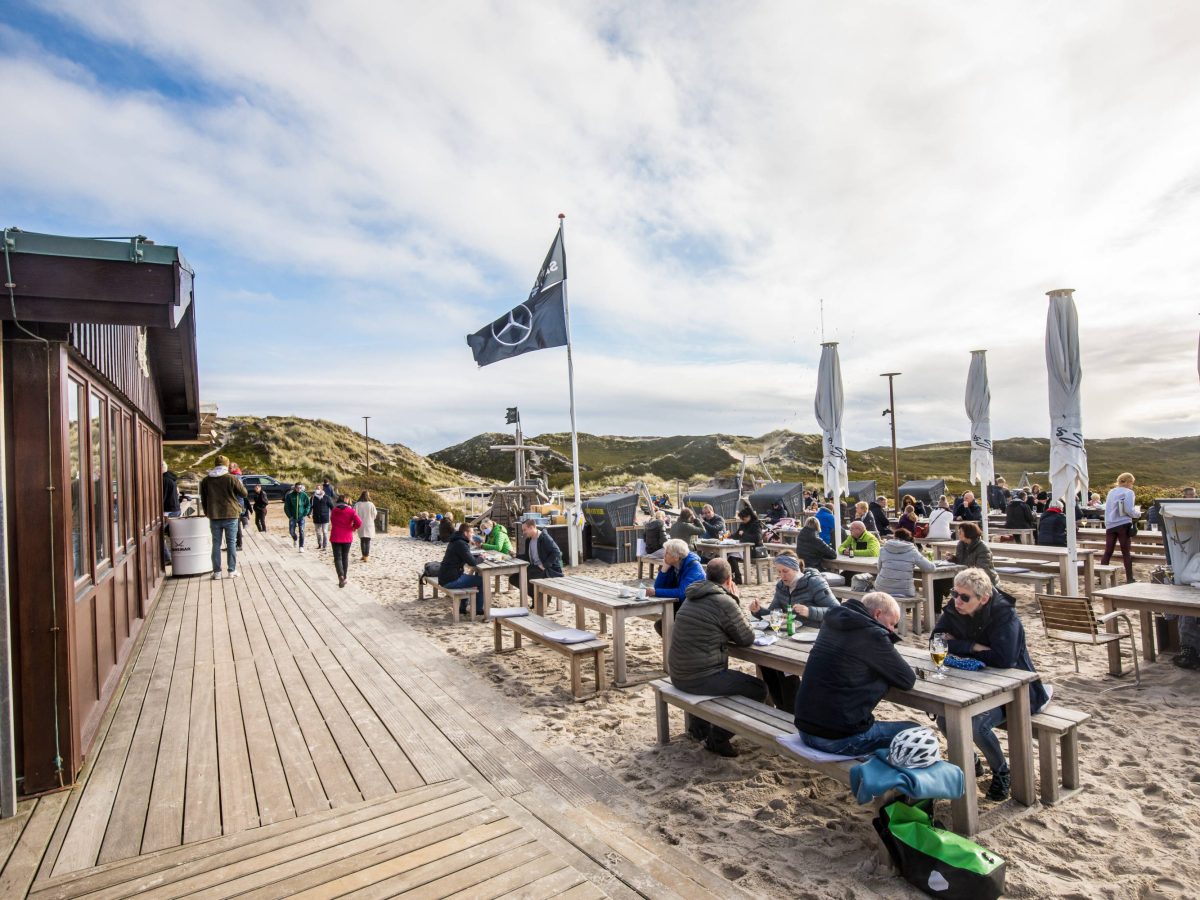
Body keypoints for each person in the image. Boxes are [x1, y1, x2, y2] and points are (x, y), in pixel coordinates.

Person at [933, 568, 1050, 801]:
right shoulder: (954, 609)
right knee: (945, 718)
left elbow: (1005, 659)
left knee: (976, 724)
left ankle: (1001, 772)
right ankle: (972, 761)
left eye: (964, 597)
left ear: (983, 598)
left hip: (1016, 693)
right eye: (954, 593)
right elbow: (936, 642)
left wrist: (960, 645)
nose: (957, 600)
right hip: (973, 686)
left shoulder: (1004, 615)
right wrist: (974, 647)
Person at [793, 592, 919, 754]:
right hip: (836, 738)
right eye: (891, 624)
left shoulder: (831, 624)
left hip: (804, 729)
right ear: (877, 614)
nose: (891, 630)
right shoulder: (872, 634)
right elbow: (907, 680)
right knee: (916, 732)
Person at [666, 557, 764, 757]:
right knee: (759, 689)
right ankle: (717, 739)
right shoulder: (723, 601)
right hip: (698, 678)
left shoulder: (692, 595)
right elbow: (746, 637)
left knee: (722, 675)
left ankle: (699, 728)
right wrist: (735, 599)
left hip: (678, 673)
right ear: (729, 580)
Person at [749, 553, 839, 709]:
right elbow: (774, 613)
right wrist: (758, 611)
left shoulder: (815, 583)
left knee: (784, 667)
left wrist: (810, 611)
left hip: (815, 637)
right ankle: (782, 706)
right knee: (766, 662)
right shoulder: (781, 586)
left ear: (796, 568)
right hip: (790, 635)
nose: (782, 575)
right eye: (779, 571)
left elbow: (838, 611)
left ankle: (792, 708)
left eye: (785, 571)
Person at [199, 455, 248, 580]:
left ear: (215, 464)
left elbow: (203, 498)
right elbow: (244, 493)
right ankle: (231, 571)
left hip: (214, 515)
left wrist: (207, 511)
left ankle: (217, 572)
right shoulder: (231, 478)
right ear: (227, 465)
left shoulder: (206, 480)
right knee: (231, 542)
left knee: (216, 543)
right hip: (231, 514)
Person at [647, 538, 705, 631]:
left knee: (663, 626)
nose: (664, 555)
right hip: (683, 605)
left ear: (676, 557)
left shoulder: (694, 567)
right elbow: (658, 587)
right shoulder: (673, 565)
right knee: (661, 625)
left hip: (696, 609)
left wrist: (656, 592)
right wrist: (664, 570)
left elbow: (683, 593)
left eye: (667, 553)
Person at [439, 522, 485, 616]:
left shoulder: (455, 540)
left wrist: (474, 556)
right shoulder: (461, 544)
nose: (473, 535)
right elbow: (472, 563)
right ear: (465, 533)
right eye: (471, 533)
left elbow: (466, 557)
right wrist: (482, 558)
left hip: (445, 576)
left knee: (470, 579)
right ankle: (478, 609)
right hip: (450, 580)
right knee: (482, 581)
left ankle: (462, 608)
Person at [512, 519, 564, 602]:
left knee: (529, 576)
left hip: (549, 570)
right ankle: (535, 597)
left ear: (532, 527)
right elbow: (527, 557)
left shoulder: (544, 537)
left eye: (525, 530)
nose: (524, 532)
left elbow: (557, 552)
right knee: (513, 578)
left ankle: (542, 599)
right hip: (535, 567)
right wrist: (516, 556)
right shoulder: (528, 540)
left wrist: (544, 565)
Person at [875, 528, 936, 598]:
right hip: (904, 591)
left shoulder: (883, 549)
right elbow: (930, 568)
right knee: (914, 591)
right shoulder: (912, 550)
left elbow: (879, 568)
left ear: (894, 537)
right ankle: (907, 608)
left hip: (882, 589)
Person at [1102, 472, 1137, 583]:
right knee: (1126, 552)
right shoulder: (1129, 492)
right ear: (1129, 482)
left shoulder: (1111, 492)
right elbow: (1129, 509)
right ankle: (1130, 578)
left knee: (1108, 552)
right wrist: (1138, 514)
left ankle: (1101, 578)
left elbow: (1107, 508)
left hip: (1110, 524)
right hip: (1123, 523)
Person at [329, 494, 362, 588]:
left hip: (335, 536)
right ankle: (345, 577)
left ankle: (341, 576)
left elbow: (332, 520)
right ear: (346, 501)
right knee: (345, 557)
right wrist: (353, 528)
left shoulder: (334, 510)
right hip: (347, 537)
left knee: (337, 558)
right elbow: (359, 522)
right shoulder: (351, 511)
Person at [727, 507, 764, 584]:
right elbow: (737, 535)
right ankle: (733, 576)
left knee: (732, 555)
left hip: (754, 549)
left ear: (749, 516)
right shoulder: (743, 524)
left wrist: (744, 534)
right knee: (729, 554)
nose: (743, 520)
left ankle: (738, 577)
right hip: (743, 548)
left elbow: (757, 538)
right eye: (742, 518)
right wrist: (728, 537)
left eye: (744, 518)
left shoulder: (756, 524)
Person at [283, 483, 312, 551]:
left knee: (301, 531)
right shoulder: (289, 496)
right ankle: (295, 538)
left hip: (301, 516)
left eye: (300, 488)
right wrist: (289, 516)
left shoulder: (304, 495)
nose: (299, 489)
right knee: (291, 531)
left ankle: (301, 546)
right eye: (298, 488)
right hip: (292, 517)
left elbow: (308, 505)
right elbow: (286, 507)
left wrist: (305, 513)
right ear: (295, 488)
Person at [354, 491, 377, 561]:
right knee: (367, 541)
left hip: (360, 524)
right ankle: (366, 555)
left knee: (362, 540)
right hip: (369, 523)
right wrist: (371, 518)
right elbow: (375, 514)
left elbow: (354, 514)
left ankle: (364, 555)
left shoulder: (357, 504)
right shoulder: (371, 504)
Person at [310, 486, 334, 551]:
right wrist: (309, 513)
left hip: (325, 517)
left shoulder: (326, 497)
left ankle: (325, 546)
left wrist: (335, 513)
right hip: (316, 517)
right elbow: (310, 507)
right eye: (317, 488)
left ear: (322, 490)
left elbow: (332, 507)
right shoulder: (313, 498)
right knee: (318, 532)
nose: (318, 490)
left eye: (319, 488)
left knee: (325, 532)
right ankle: (320, 544)